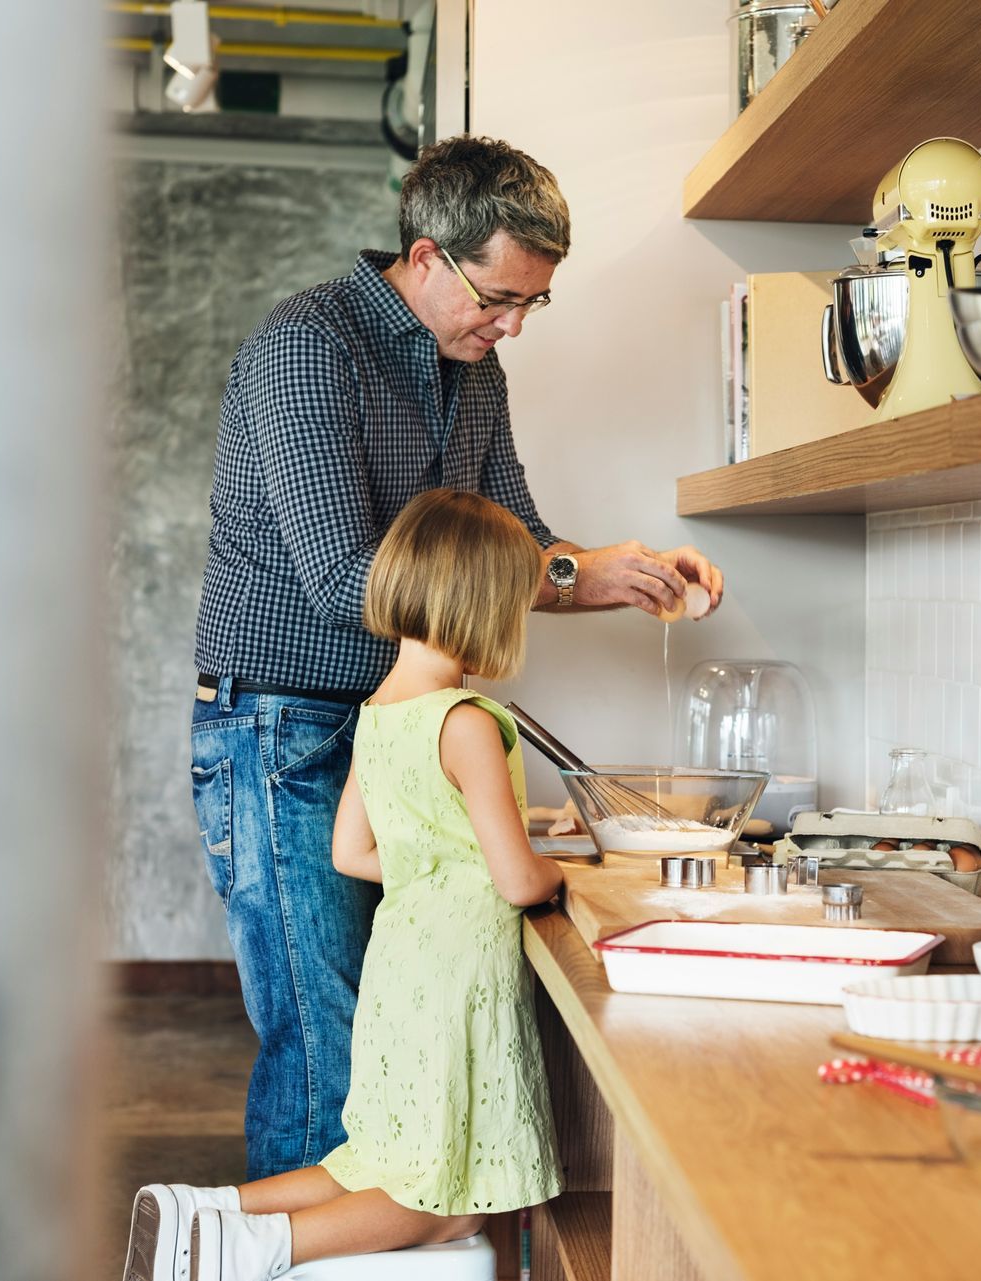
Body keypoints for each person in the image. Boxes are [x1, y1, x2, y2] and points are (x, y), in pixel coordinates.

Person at [189, 135, 723, 1181]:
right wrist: (568, 574)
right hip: (282, 728)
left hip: (393, 728)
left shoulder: (474, 371)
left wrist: (617, 570)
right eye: (500, 296)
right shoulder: (311, 347)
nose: (514, 324)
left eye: (535, 304)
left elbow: (518, 544)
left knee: (390, 1039)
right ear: (428, 257)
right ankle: (246, 1247)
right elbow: (353, 584)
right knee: (326, 1047)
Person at [132, 490, 566, 1281]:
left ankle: (207, 1210)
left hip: (400, 970)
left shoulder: (375, 713)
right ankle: (253, 1249)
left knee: (374, 1154)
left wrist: (439, 862)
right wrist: (557, 870)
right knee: (446, 1202)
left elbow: (351, 851)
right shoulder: (465, 720)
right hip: (455, 978)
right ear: (490, 606)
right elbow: (515, 878)